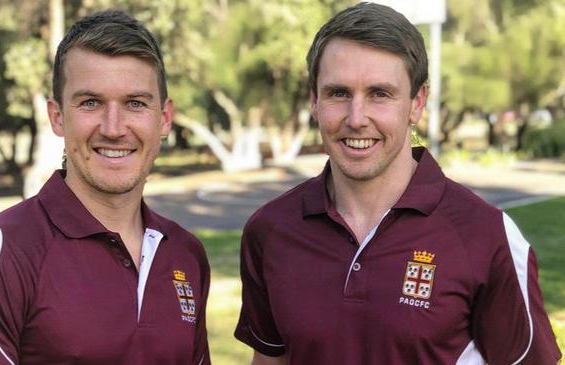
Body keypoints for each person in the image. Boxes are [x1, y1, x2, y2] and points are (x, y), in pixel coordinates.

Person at [234, 3, 561, 364]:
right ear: (315, 101)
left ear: (416, 103)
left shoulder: (487, 236)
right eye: (338, 93)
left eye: (380, 94)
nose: (357, 119)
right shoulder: (270, 230)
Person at [0, 10, 210, 365]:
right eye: (90, 102)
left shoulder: (186, 254)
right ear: (57, 116)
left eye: (135, 103)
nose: (113, 127)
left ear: (164, 118)